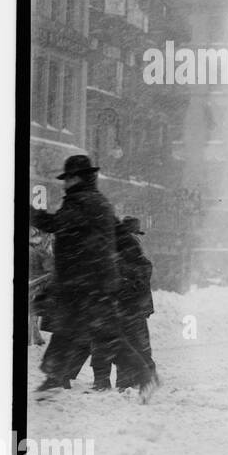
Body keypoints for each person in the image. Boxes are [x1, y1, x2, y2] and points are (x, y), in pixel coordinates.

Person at [28, 155, 154, 398]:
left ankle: (142, 374)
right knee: (76, 332)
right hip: (90, 282)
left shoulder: (82, 203)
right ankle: (54, 379)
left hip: (86, 283)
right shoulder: (97, 201)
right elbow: (113, 231)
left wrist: (30, 213)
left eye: (69, 178)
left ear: (78, 178)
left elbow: (56, 224)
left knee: (94, 334)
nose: (65, 183)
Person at [89, 216, 158, 391]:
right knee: (121, 342)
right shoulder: (111, 247)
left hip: (127, 304)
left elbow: (142, 273)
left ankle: (124, 381)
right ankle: (111, 381)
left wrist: (123, 279)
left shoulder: (126, 248)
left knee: (124, 342)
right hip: (118, 304)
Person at [27, 226, 52, 346]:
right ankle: (33, 337)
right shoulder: (40, 251)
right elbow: (50, 269)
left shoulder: (39, 249)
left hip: (35, 283)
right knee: (33, 310)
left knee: (32, 310)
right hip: (36, 283)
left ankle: (33, 336)